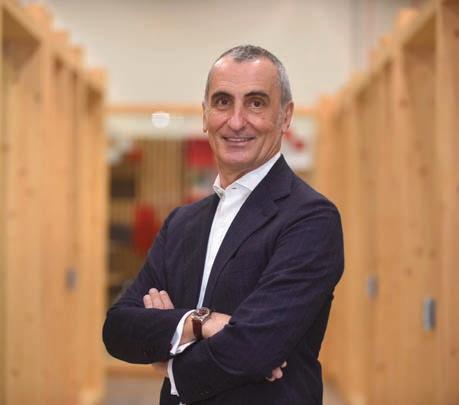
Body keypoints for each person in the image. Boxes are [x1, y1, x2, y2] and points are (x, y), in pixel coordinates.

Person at [103, 45, 344, 405]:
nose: (236, 121)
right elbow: (118, 328)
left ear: (286, 116)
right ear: (205, 115)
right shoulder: (181, 224)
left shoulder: (310, 219)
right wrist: (201, 322)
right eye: (222, 102)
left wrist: (171, 359)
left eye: (256, 103)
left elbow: (255, 348)